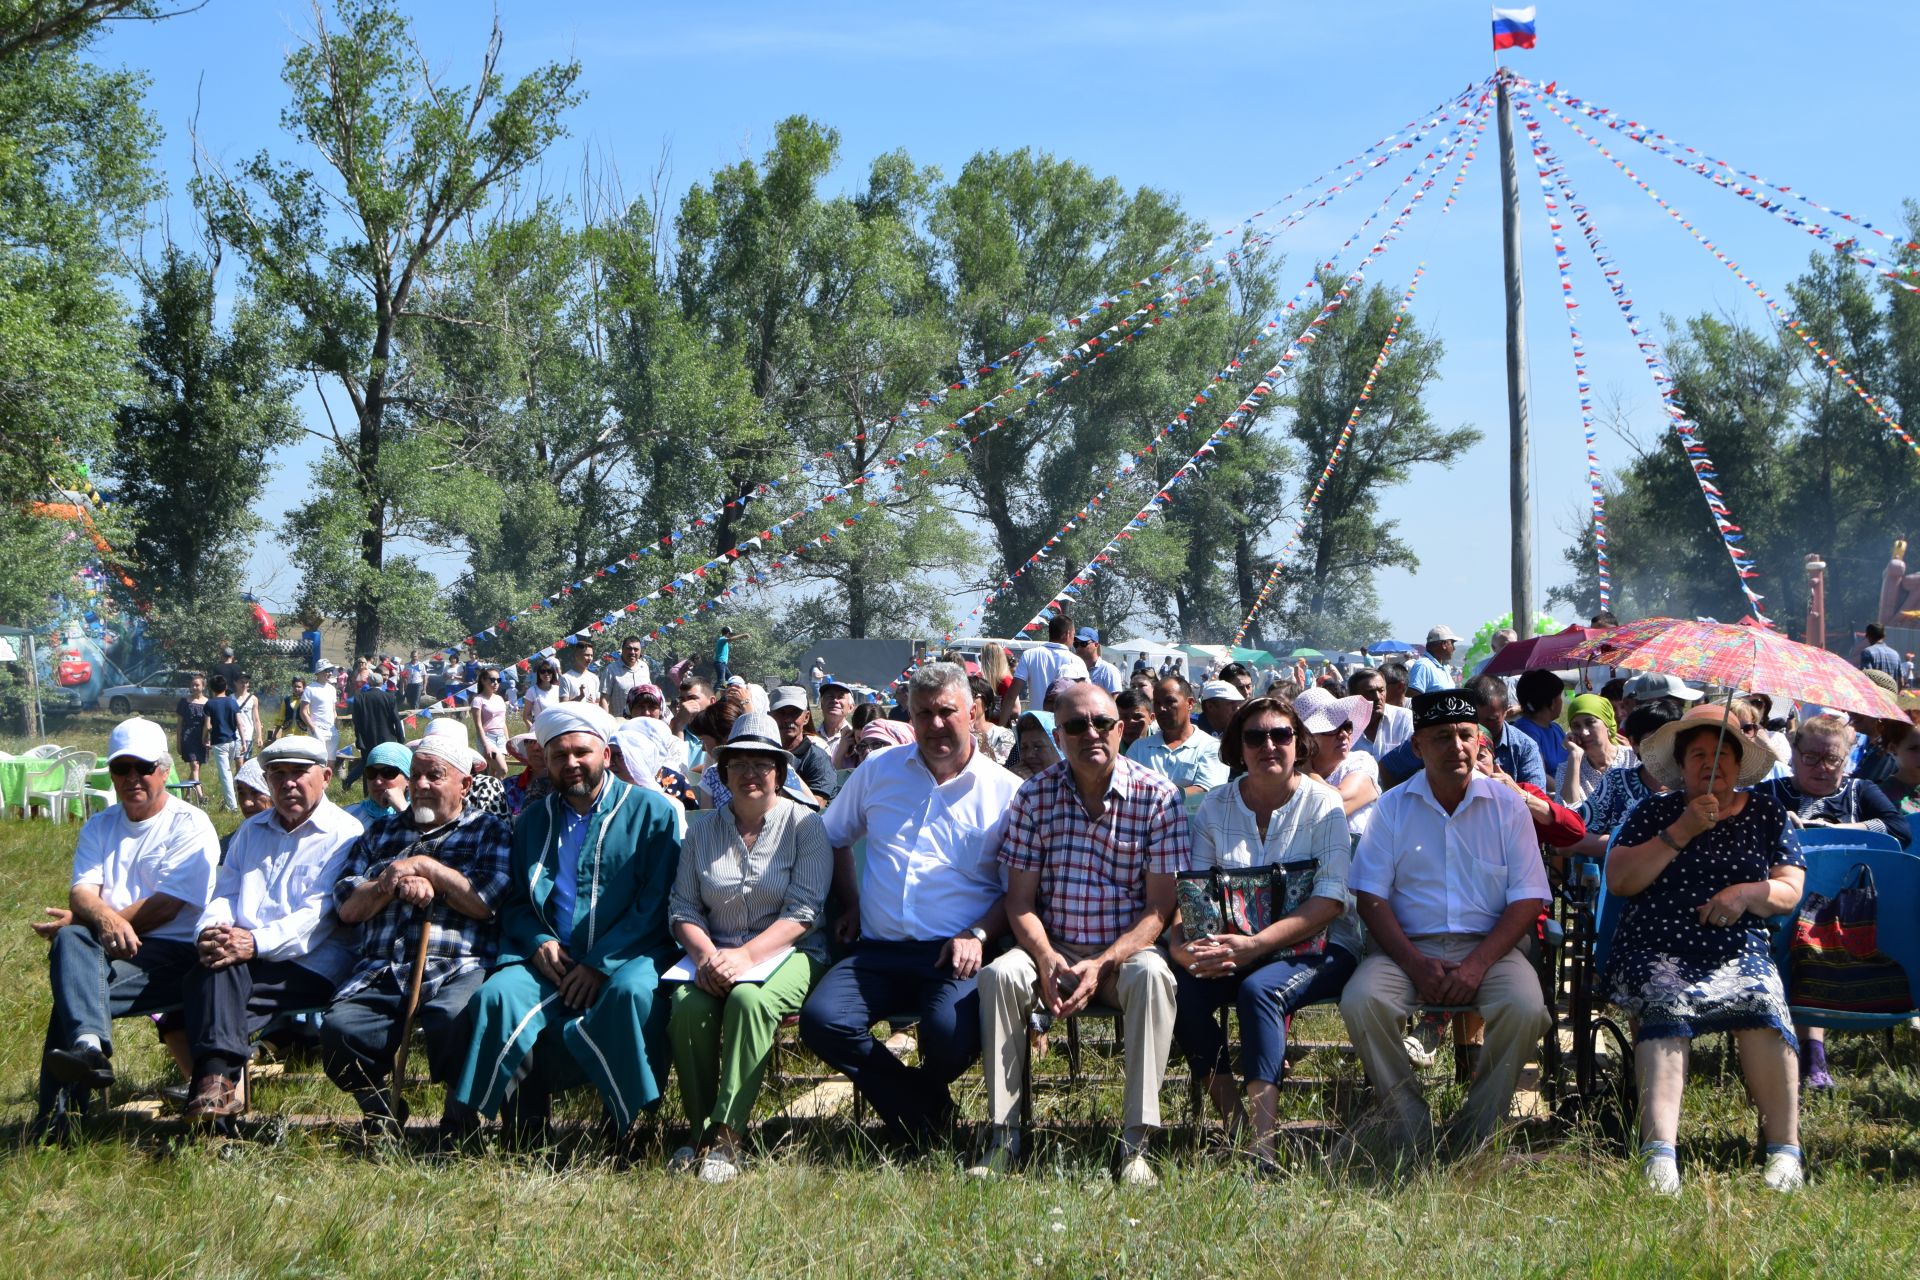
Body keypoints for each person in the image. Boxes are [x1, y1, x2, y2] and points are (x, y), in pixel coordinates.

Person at [799, 662, 1022, 1150]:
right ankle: (925, 1108)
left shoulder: (1006, 792)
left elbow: (1018, 892)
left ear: (975, 711)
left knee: (950, 1040)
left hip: (954, 955)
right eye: (924, 714)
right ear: (911, 717)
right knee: (822, 1021)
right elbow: (832, 837)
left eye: (948, 712)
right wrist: (852, 902)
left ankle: (916, 1109)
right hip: (878, 949)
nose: (936, 724)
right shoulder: (879, 770)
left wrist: (980, 934)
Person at [972, 682, 1186, 1184]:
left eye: (1102, 723)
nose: (1091, 733)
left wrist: (1105, 962)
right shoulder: (1034, 795)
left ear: (1121, 728)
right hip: (1054, 949)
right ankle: (1004, 1136)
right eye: (1075, 725)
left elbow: (1159, 909)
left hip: (1124, 954)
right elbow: (1019, 903)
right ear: (1060, 734)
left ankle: (1136, 1143)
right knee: (1000, 975)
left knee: (1153, 978)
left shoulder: (1158, 797)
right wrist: (1045, 956)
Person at [445, 703, 684, 1146]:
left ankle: (626, 1131)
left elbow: (655, 905)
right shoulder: (533, 820)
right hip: (550, 956)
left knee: (629, 995)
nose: (571, 764)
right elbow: (515, 901)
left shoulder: (654, 812)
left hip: (631, 951)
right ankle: (490, 1129)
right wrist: (538, 942)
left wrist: (599, 965)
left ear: (606, 755)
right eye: (559, 755)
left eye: (581, 752)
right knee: (497, 997)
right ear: (546, 761)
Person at [1337, 691, 1552, 1167]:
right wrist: (1415, 963)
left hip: (1491, 947)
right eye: (1440, 738)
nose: (1456, 746)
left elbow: (1528, 897)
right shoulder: (1393, 808)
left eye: (1464, 735)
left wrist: (1476, 964)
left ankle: (1475, 1127)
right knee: (1362, 1000)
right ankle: (1408, 1120)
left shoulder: (1507, 804)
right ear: (1417, 747)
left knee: (1525, 1006)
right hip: (1405, 948)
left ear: (1480, 741)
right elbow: (1370, 898)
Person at [1601, 703, 1807, 1193]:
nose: (1710, 764)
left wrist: (1746, 894)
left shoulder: (1766, 812)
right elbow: (1621, 879)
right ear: (1681, 763)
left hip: (1737, 947)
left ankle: (1784, 1150)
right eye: (1697, 754)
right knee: (1666, 1005)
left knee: (1762, 1004)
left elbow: (1790, 888)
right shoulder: (1654, 812)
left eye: (1721, 755)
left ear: (1739, 766)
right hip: (1658, 946)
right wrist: (1682, 831)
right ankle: (1659, 1154)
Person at [1172, 695, 1356, 1173]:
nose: (1269, 745)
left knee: (1260, 992)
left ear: (1300, 744)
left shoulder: (1324, 804)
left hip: (1321, 945)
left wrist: (1257, 945)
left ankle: (1265, 1146)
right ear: (1238, 747)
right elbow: (1196, 893)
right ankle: (1234, 1123)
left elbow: (1330, 901)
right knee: (1181, 992)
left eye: (1281, 735)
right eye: (1255, 736)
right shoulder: (1216, 806)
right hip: (1239, 945)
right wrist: (1187, 949)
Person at [30, 718, 221, 1137]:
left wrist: (98, 918)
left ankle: (58, 1121)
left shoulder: (189, 824)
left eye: (143, 767)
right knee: (71, 939)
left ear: (165, 771)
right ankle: (89, 1050)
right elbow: (82, 892)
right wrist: (98, 919)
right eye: (121, 769)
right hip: (111, 947)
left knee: (74, 987)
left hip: (176, 953)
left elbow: (166, 907)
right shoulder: (101, 824)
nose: (132, 778)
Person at [666, 716, 832, 1182]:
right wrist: (705, 958)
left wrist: (744, 959)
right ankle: (699, 1134)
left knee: (749, 999)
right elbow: (683, 907)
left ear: (780, 771)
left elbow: (804, 913)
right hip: (713, 956)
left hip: (796, 954)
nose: (750, 773)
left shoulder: (805, 825)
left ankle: (728, 1138)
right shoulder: (701, 831)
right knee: (685, 1006)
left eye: (763, 763)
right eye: (738, 763)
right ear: (722, 773)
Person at [322, 733, 511, 1140]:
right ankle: (381, 1110)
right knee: (341, 1030)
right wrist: (389, 881)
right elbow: (348, 908)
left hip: (460, 965)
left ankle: (459, 1121)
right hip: (383, 968)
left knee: (455, 1018)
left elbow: (485, 903)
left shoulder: (489, 831)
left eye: (434, 776)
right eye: (416, 775)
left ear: (465, 785)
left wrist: (428, 868)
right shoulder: (380, 835)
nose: (421, 784)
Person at [180, 735, 366, 1118]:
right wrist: (212, 930)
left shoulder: (345, 833)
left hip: (314, 960)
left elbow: (318, 917)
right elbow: (225, 891)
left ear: (327, 776)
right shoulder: (252, 830)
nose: (288, 783)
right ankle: (217, 1088)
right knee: (215, 965)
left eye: (299, 773)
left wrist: (252, 943)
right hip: (245, 954)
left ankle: (213, 1078)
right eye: (277, 774)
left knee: (201, 994)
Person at [1752, 712, 1911, 1090]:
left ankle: (1813, 1052)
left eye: (1832, 759)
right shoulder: (1772, 794)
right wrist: (1776, 820)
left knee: (1818, 933)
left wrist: (1839, 829)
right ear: (1793, 753)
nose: (1822, 768)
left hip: (1847, 919)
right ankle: (1809, 1052)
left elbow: (1898, 830)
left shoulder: (1860, 792)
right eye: (1811, 758)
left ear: (1847, 758)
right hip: (1780, 913)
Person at [1294, 687, 1381, 839]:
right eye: (1332, 728)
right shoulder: (1292, 774)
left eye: (1347, 726)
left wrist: (1307, 772)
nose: (1344, 734)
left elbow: (1340, 804)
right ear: (1309, 737)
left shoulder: (1361, 760)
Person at [1127, 676, 1229, 796]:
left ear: (1190, 703)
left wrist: (1153, 794)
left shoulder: (1211, 747)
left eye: (1170, 701)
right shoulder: (1138, 748)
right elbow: (1127, 787)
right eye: (1157, 703)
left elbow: (1207, 791)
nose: (1162, 709)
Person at [1001, 615, 1090, 725]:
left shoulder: (1029, 655)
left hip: (1037, 724)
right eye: (1073, 634)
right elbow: (1085, 697)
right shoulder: (1076, 661)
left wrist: (1001, 727)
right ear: (1067, 634)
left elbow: (1011, 695)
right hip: (1064, 725)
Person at [1556, 692, 1631, 804]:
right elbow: (1566, 811)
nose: (1584, 732)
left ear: (1607, 723)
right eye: (1576, 726)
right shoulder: (1567, 769)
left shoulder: (1632, 758)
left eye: (1590, 722)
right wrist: (1575, 757)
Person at [770, 685, 839, 804]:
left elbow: (817, 805)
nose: (787, 719)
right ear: (770, 717)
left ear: (806, 717)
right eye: (781, 713)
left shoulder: (817, 758)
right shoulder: (763, 754)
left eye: (794, 713)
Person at [346, 667, 406, 789]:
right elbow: (396, 719)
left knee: (368, 765)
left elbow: (356, 720)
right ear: (382, 682)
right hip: (387, 737)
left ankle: (367, 791)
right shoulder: (389, 697)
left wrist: (359, 738)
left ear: (369, 682)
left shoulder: (360, 698)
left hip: (367, 738)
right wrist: (401, 739)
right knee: (387, 764)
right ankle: (387, 787)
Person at [1509, 670, 1571, 784]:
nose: (1562, 702)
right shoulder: (1526, 731)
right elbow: (1539, 775)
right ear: (1552, 703)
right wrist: (1564, 791)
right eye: (1560, 697)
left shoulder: (1555, 728)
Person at [1348, 668, 1413, 762]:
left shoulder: (1403, 718)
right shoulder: (1344, 724)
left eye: (1381, 690)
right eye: (1370, 692)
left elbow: (1410, 759)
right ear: (1354, 696)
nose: (1377, 697)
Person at [346, 741, 412, 826]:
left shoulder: (427, 819)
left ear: (408, 779)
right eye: (371, 772)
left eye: (388, 772)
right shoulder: (348, 817)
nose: (378, 781)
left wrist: (403, 811)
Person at [205, 675, 244, 812]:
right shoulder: (232, 702)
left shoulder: (210, 704)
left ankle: (232, 806)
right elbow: (239, 723)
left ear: (211, 688)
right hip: (234, 741)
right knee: (229, 771)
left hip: (219, 742)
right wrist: (243, 742)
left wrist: (205, 738)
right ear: (226, 687)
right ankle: (231, 800)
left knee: (225, 774)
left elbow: (208, 726)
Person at [467, 668, 511, 777]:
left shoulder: (500, 699)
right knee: (503, 769)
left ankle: (490, 792)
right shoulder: (478, 700)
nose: (495, 683)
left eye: (498, 680)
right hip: (488, 739)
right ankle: (497, 792)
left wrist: (508, 741)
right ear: (483, 680)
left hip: (501, 739)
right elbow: (478, 725)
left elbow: (503, 722)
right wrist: (485, 745)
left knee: (493, 772)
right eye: (492, 680)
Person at [176, 673, 210, 797]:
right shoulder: (184, 702)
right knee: (194, 765)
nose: (194, 687)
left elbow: (210, 724)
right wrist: (178, 742)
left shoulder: (208, 703)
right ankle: (201, 796)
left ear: (203, 686)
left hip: (202, 737)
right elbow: (179, 724)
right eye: (192, 685)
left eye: (197, 685)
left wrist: (208, 739)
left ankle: (188, 794)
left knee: (196, 767)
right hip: (188, 737)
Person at [603, 636, 653, 716]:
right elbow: (604, 699)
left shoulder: (644, 667)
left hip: (642, 719)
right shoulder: (611, 669)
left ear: (640, 651)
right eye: (629, 648)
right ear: (622, 650)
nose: (632, 652)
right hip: (620, 721)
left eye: (636, 649)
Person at [1008, 709, 1061, 779]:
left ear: (1059, 745)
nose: (1029, 754)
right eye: (1024, 748)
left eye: (1038, 746)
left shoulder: (1075, 784)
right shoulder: (1013, 781)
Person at [303, 667, 341, 764]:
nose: (329, 673)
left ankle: (328, 779)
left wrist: (336, 727)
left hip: (331, 730)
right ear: (318, 672)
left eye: (330, 671)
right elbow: (303, 711)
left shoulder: (332, 689)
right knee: (320, 761)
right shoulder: (310, 689)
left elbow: (333, 710)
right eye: (326, 671)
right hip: (317, 728)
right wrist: (312, 728)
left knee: (331, 761)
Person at [1071, 627, 1125, 694]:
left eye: (1083, 644)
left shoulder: (1108, 670)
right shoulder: (1073, 669)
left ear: (1096, 645)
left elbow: (1115, 699)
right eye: (1076, 644)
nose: (1078, 647)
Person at [1407, 626, 1459, 693]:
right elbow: (1413, 697)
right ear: (1444, 644)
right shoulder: (1423, 666)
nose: (1454, 648)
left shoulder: (1444, 667)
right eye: (1452, 643)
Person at [816, 678, 857, 761]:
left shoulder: (855, 739)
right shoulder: (810, 737)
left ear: (850, 707)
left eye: (840, 697)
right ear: (821, 705)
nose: (835, 700)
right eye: (830, 696)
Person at [560, 642, 602, 706]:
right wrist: (580, 697)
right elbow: (563, 706)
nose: (590, 658)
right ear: (576, 656)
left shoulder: (594, 678)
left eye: (591, 655)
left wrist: (593, 704)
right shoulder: (566, 678)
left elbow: (598, 702)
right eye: (587, 655)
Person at [522, 661, 561, 731]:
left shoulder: (558, 689)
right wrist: (532, 730)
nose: (546, 674)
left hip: (557, 729)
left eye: (549, 671)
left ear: (553, 673)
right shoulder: (532, 691)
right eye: (543, 671)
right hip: (540, 730)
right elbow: (526, 716)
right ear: (538, 674)